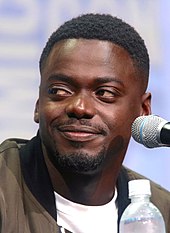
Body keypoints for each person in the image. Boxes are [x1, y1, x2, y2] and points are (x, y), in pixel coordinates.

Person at [0, 13, 170, 233]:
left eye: (105, 93)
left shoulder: (162, 213)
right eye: (60, 91)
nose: (80, 107)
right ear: (38, 103)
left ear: (144, 110)